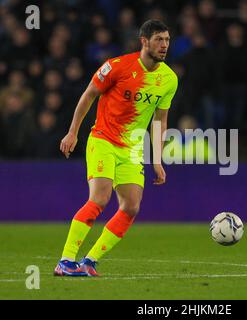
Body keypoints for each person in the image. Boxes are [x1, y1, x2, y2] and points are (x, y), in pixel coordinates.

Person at [54, 20, 178, 277]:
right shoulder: (117, 66)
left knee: (131, 206)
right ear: (144, 41)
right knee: (99, 198)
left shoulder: (169, 79)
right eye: (158, 39)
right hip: (104, 140)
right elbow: (89, 94)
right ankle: (66, 261)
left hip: (132, 150)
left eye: (167, 40)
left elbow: (160, 119)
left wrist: (157, 159)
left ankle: (90, 261)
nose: (164, 45)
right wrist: (73, 131)